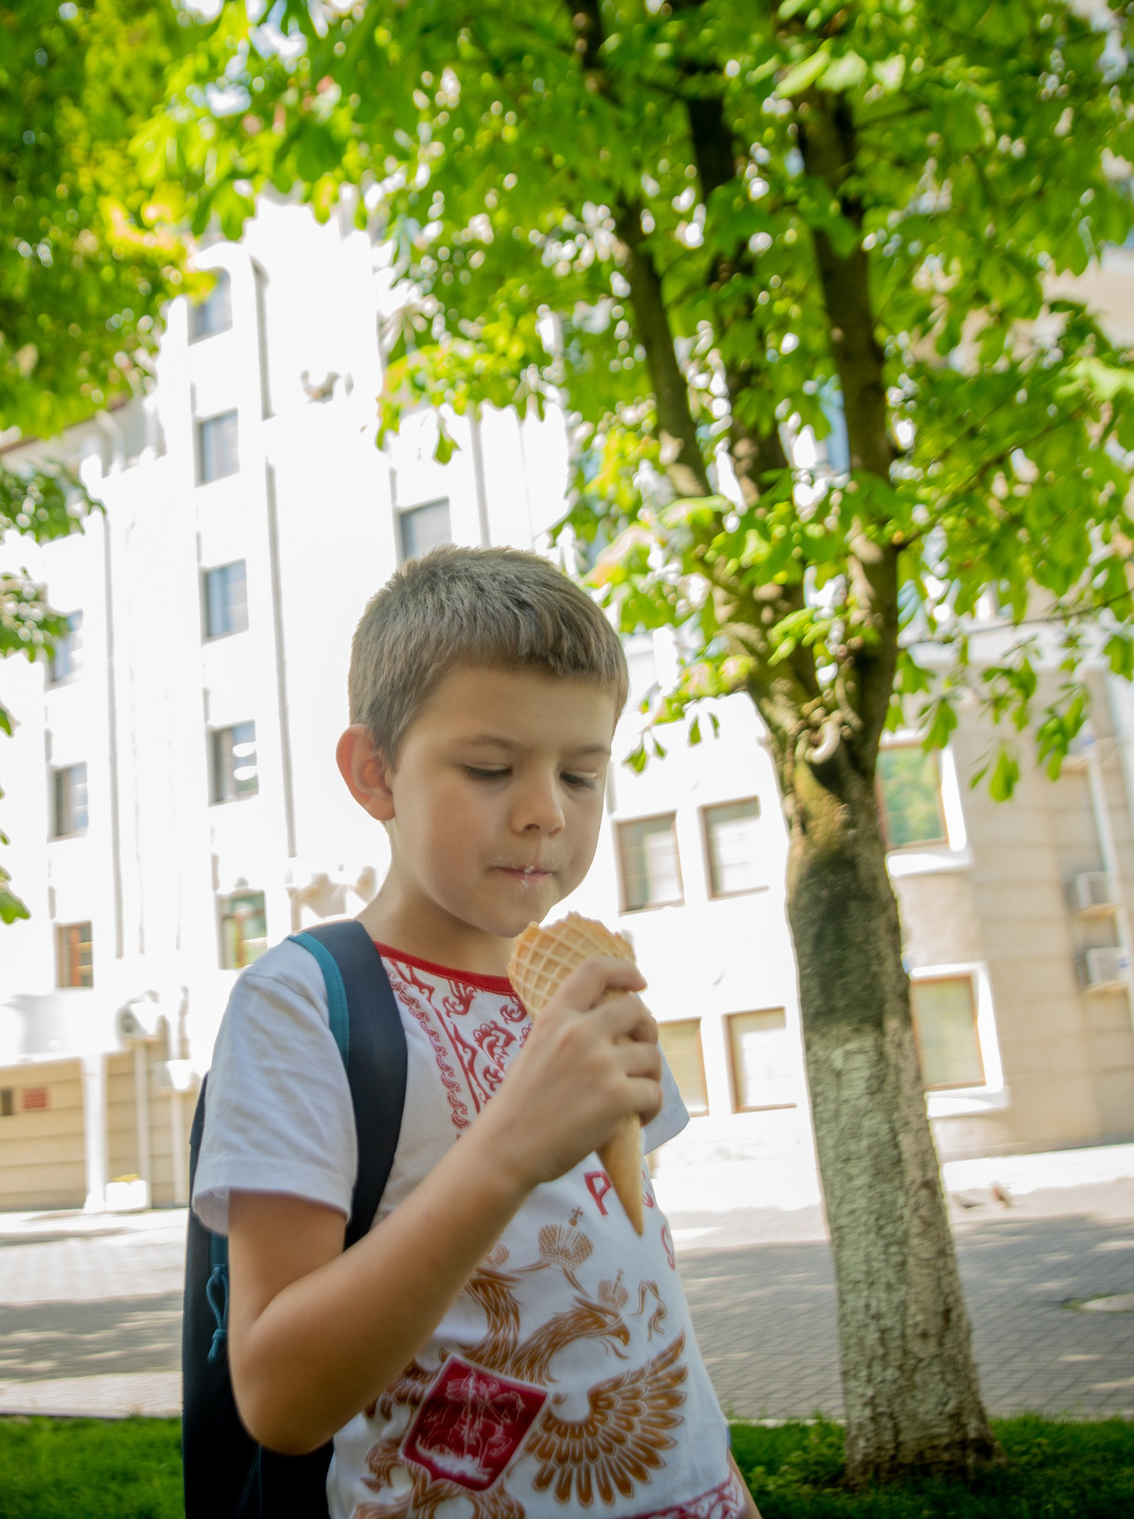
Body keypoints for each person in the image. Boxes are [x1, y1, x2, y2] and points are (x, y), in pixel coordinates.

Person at [194, 548, 760, 1518]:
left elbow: (641, 1291)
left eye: (582, 775)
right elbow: (280, 1398)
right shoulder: (301, 1005)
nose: (545, 812)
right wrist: (507, 1151)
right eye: (491, 767)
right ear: (374, 773)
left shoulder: (586, 989)